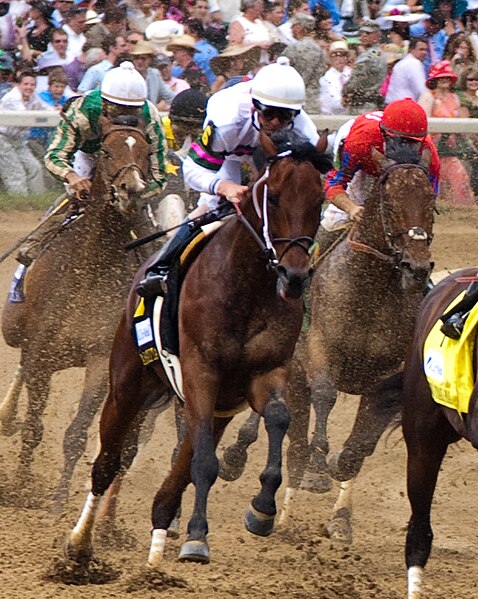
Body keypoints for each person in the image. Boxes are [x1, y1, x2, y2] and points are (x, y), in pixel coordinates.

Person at [136, 57, 325, 297]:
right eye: (269, 114)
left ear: (295, 114)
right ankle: (161, 268)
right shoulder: (227, 122)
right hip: (231, 151)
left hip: (270, 152)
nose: (276, 123)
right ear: (255, 105)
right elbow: (192, 171)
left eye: (285, 116)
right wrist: (223, 186)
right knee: (212, 207)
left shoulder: (303, 131)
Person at [16, 61, 167, 267]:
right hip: (89, 156)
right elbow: (54, 155)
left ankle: (158, 266)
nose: (125, 116)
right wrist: (73, 178)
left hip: (131, 164)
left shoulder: (150, 118)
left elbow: (159, 177)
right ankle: (33, 250)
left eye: (131, 111)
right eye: (119, 109)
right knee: (75, 199)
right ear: (104, 104)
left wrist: (136, 192)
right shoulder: (82, 111)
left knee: (142, 216)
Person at [320, 98, 440, 245]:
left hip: (378, 147)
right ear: (384, 134)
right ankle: (312, 261)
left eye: (412, 142)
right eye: (400, 141)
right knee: (335, 220)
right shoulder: (359, 142)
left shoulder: (430, 154)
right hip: (363, 156)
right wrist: (351, 208)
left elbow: (427, 199)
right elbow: (334, 183)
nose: (405, 148)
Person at [418, 59, 475, 206]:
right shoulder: (428, 97)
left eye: (447, 77)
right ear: (434, 79)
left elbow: (461, 126)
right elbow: (422, 125)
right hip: (431, 152)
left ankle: (461, 214)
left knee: (460, 182)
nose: (444, 80)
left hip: (451, 151)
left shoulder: (454, 98)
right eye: (441, 77)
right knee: (435, 187)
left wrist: (471, 147)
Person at [0, 70, 50, 197]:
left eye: (32, 85)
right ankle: (19, 204)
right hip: (3, 138)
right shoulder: (12, 97)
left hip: (19, 139)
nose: (29, 87)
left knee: (35, 168)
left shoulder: (33, 97)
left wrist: (56, 110)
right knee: (15, 172)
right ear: (19, 85)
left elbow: (45, 108)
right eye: (26, 84)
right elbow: (24, 115)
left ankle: (38, 200)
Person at [342, 20, 388, 114]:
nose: (363, 36)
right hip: (371, 103)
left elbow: (355, 81)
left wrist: (345, 91)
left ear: (377, 35)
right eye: (362, 33)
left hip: (361, 105)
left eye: (368, 33)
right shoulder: (380, 54)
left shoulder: (368, 56)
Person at [384, 36, 428, 103]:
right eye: (421, 49)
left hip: (393, 103)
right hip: (402, 105)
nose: (424, 53)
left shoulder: (404, 62)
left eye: (426, 50)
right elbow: (422, 90)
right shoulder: (414, 63)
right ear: (411, 49)